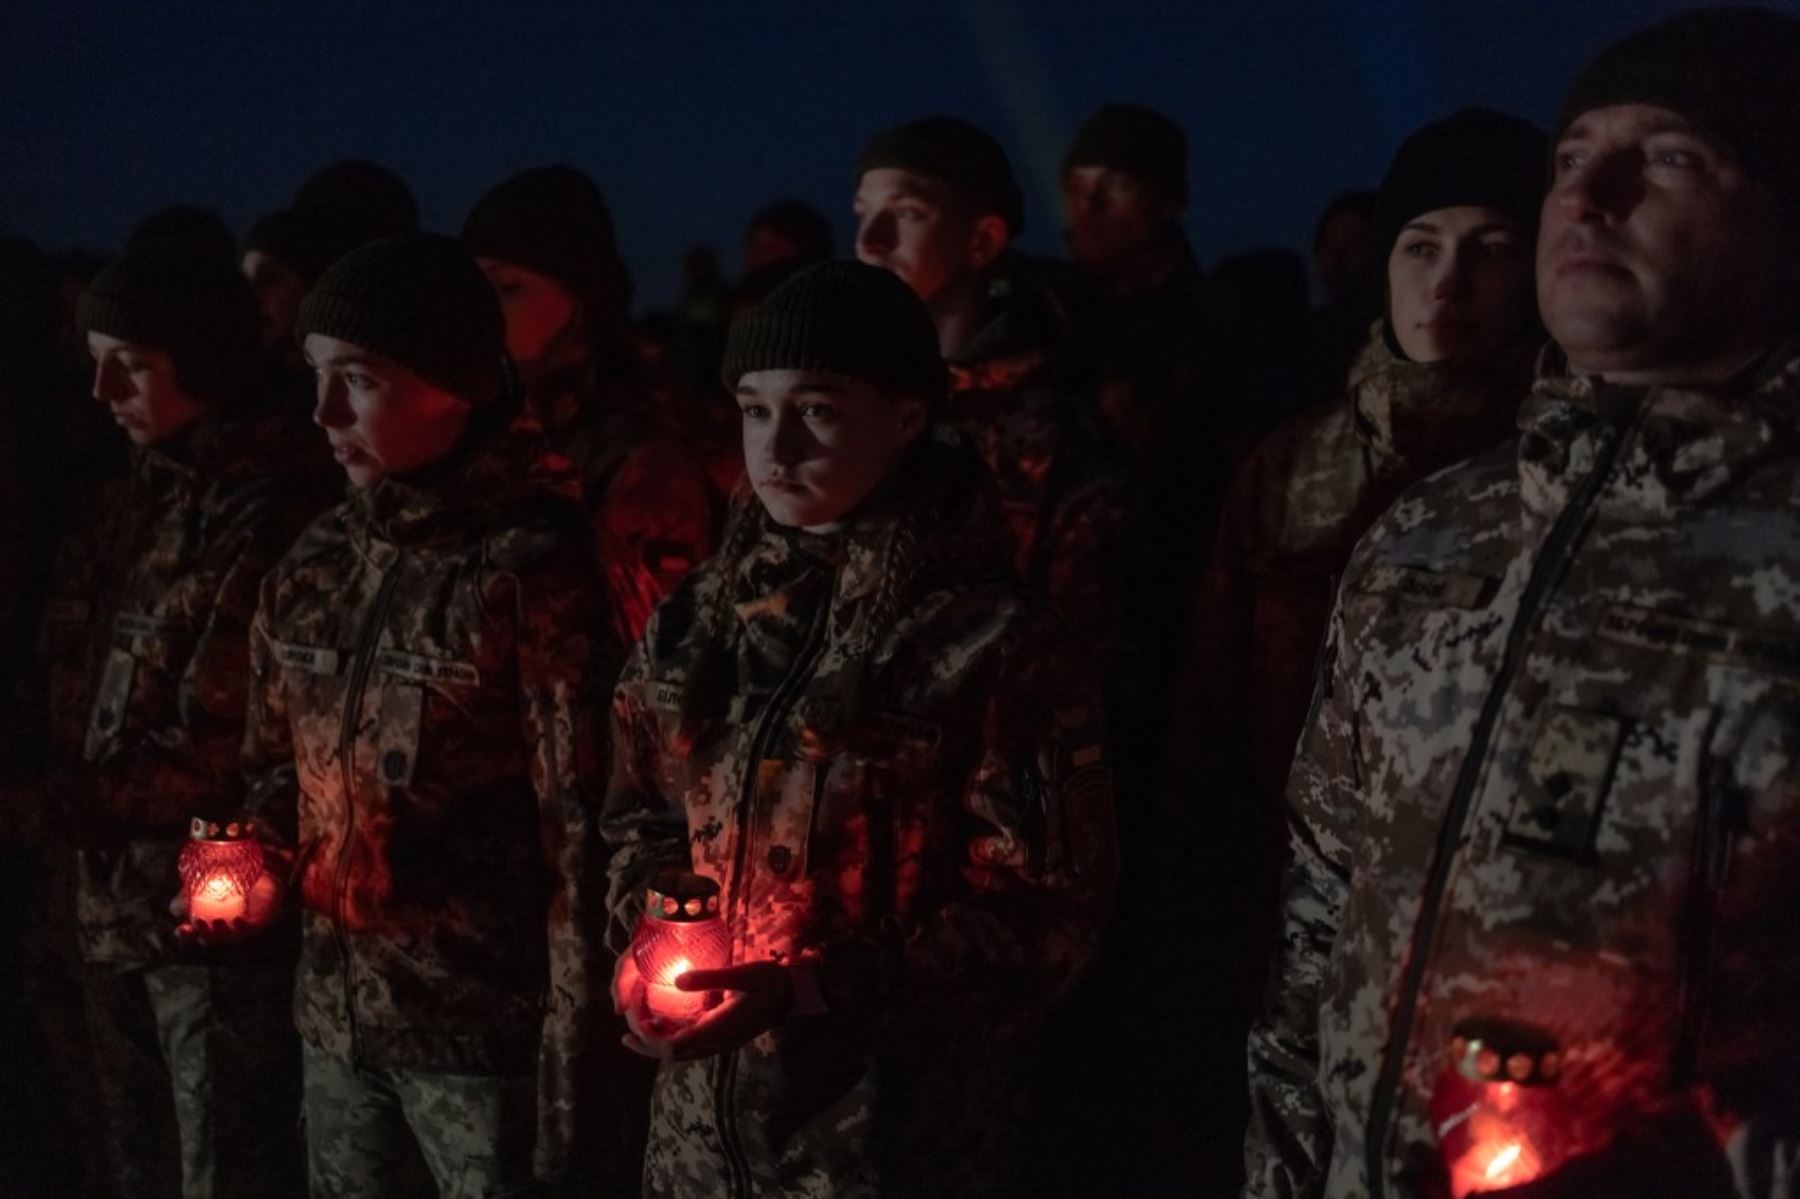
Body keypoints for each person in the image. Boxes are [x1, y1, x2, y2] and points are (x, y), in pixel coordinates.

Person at [1245, 10, 1800, 1197]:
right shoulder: (1433, 532)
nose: (1587, 197)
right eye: (1569, 160)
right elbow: (1317, 901)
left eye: (1666, 158)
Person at [602, 260, 1117, 1197]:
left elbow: (1049, 917)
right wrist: (650, 929)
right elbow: (637, 809)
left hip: (889, 1141)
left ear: (909, 415)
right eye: (756, 411)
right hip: (697, 1143)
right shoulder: (703, 615)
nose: (778, 447)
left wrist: (817, 988)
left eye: (820, 410)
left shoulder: (991, 639)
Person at [239, 235, 620, 1197]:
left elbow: (583, 832)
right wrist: (251, 862)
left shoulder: (532, 568)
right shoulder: (320, 559)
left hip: (481, 1043)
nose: (324, 413)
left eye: (358, 380)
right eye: (317, 375)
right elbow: (271, 764)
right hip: (334, 1024)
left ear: (454, 384)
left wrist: (573, 1071)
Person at [34, 238, 325, 1197]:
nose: (103, 389)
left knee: (221, 1169)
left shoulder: (270, 515)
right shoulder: (116, 504)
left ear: (203, 359)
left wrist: (46, 805)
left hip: (203, 930)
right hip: (100, 909)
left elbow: (236, 738)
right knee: (132, 1164)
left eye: (136, 363)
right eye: (95, 358)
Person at [462, 165, 716, 642]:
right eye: (474, 291)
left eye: (507, 288)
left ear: (579, 298)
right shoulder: (487, 428)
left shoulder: (642, 460)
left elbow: (656, 645)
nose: (483, 312)